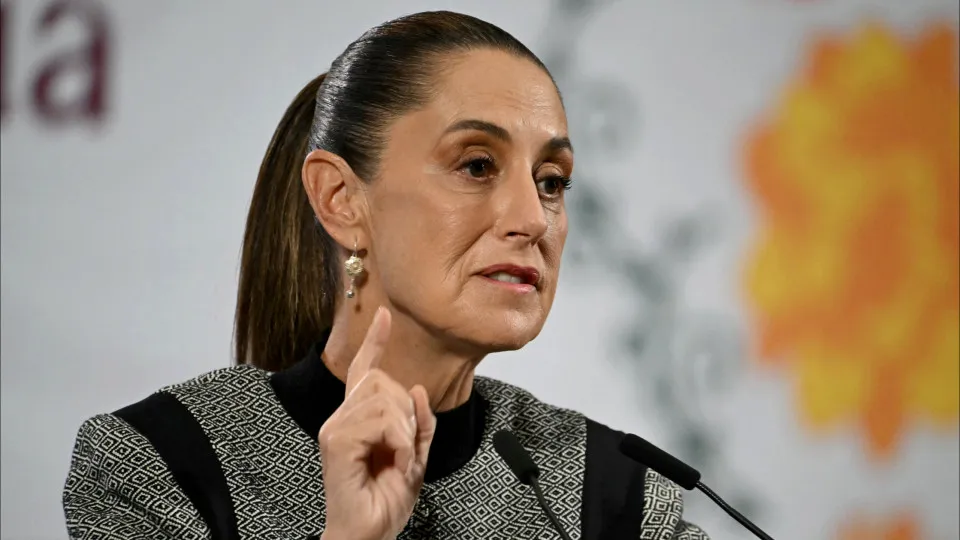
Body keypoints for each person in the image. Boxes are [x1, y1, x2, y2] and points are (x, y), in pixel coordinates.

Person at [62, 10, 709, 540]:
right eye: (477, 166)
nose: (532, 219)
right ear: (341, 200)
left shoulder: (616, 492)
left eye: (551, 181)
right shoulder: (161, 465)